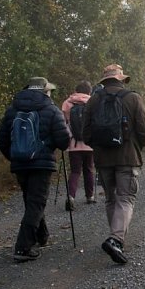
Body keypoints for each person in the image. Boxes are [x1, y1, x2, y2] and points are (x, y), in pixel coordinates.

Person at [82, 64, 145, 265]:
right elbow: (144, 130)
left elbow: (85, 132)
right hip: (127, 157)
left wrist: (98, 147)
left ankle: (115, 236)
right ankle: (116, 239)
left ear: (105, 80)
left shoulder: (94, 100)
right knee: (126, 198)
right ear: (121, 79)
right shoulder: (133, 98)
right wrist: (137, 146)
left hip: (103, 159)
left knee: (111, 199)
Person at [0, 76, 71, 262]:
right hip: (41, 164)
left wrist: (14, 156)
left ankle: (41, 236)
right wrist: (49, 146)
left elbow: (2, 140)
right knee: (36, 203)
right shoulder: (51, 110)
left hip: (20, 164)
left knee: (32, 201)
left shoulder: (12, 110)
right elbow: (64, 141)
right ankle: (23, 247)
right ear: (45, 91)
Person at [61, 81, 96, 210]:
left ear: (76, 90)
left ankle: (71, 197)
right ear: (89, 91)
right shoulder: (94, 102)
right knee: (89, 169)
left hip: (73, 144)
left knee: (75, 171)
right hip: (90, 144)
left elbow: (63, 124)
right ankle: (90, 196)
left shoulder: (67, 103)